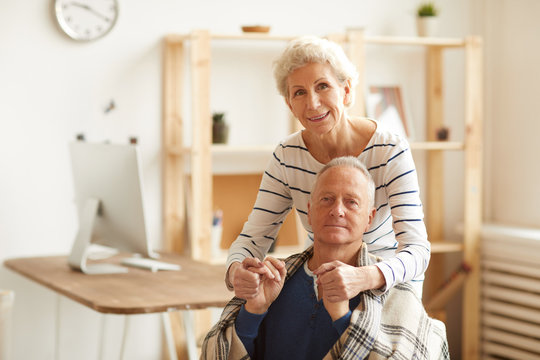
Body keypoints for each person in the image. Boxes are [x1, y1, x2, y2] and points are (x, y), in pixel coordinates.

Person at [227, 36, 430, 299]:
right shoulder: (287, 156)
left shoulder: (390, 150)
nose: (312, 103)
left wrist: (365, 276)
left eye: (322, 86)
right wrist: (236, 271)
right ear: (290, 104)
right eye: (299, 92)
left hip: (388, 284)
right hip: (324, 283)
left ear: (345, 91)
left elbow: (417, 249)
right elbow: (252, 240)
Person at [202, 157, 448, 359]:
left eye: (351, 202)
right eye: (326, 199)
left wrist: (342, 318)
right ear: (309, 211)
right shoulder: (274, 280)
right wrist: (254, 311)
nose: (337, 210)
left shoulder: (395, 291)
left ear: (369, 218)